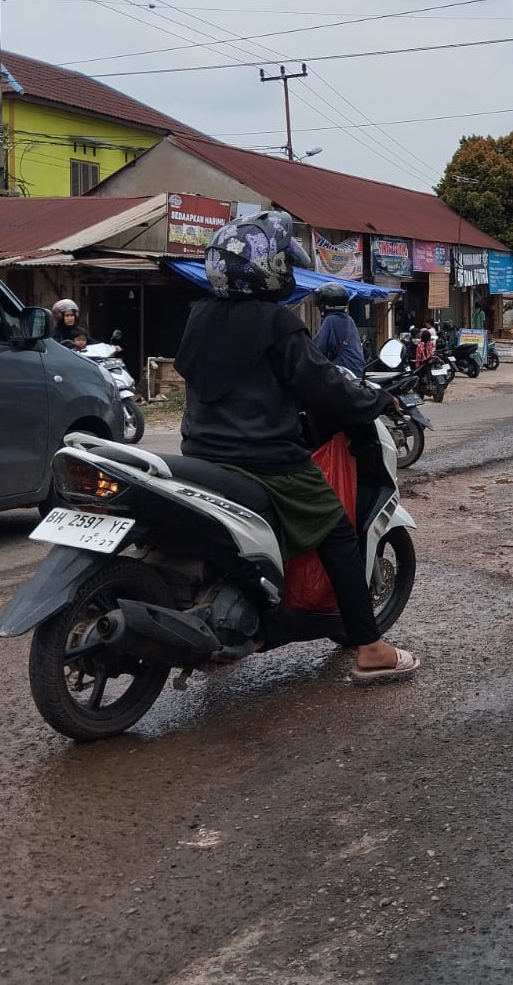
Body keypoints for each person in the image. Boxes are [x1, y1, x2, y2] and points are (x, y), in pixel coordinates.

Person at [173, 210, 419, 683]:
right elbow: (325, 385)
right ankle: (369, 647)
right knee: (338, 532)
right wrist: (380, 399)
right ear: (267, 268)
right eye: (283, 262)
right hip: (267, 462)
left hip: (201, 456)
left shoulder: (199, 317)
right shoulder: (276, 324)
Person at [312, 282, 366, 377]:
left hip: (344, 374)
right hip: (357, 373)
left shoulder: (331, 320)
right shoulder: (349, 320)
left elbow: (316, 349)